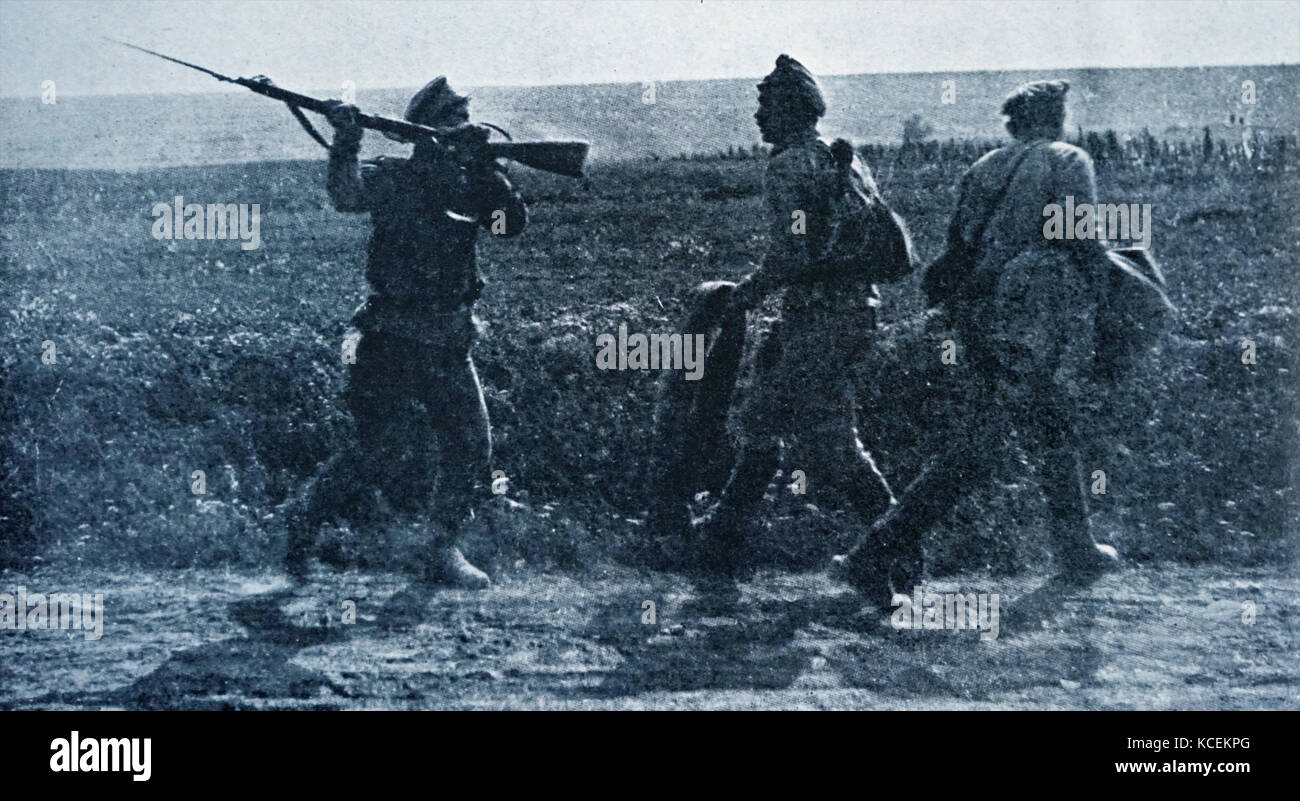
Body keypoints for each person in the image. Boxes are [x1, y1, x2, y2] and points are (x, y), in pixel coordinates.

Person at [831, 79, 1118, 609]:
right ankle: (873, 553)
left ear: (1014, 122)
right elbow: (1079, 234)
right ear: (1055, 117)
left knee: (1046, 424)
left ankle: (1075, 546)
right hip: (1032, 318)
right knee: (981, 447)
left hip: (980, 317)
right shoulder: (1069, 159)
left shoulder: (982, 168)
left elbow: (959, 250)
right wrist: (1113, 292)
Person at [283, 77, 527, 587]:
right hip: (390, 336)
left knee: (469, 445)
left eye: (465, 114)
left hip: (449, 337)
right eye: (451, 116)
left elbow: (508, 228)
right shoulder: (398, 176)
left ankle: (441, 550)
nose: (463, 123)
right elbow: (347, 195)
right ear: (424, 130)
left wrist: (492, 174)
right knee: (378, 449)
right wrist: (346, 140)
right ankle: (304, 524)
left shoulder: (474, 180)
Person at [691, 55, 911, 586]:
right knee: (763, 419)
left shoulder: (790, 165)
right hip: (844, 313)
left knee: (830, 439)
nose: (759, 117)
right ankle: (720, 540)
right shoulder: (842, 158)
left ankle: (896, 552)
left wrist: (745, 295)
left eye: (766, 106)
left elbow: (792, 254)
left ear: (789, 111)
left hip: (821, 319)